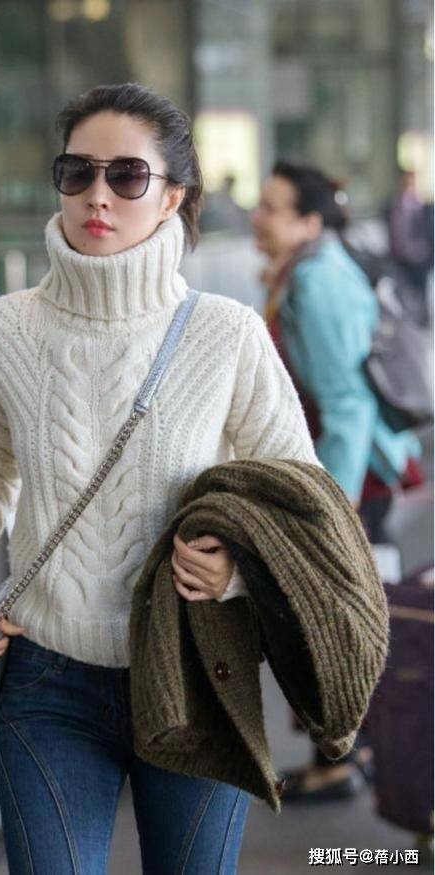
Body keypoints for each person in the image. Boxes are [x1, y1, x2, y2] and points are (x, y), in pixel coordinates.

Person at [0, 84, 318, 874]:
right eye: (78, 172)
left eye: (128, 175)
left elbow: (302, 495)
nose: (97, 196)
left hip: (197, 668)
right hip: (46, 677)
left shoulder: (226, 333)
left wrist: (239, 569)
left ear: (173, 196)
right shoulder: (6, 328)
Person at [251, 160, 422, 802]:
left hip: (354, 477)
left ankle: (348, 759)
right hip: (348, 470)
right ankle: (343, 756)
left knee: (340, 621)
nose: (257, 217)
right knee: (334, 617)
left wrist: (333, 503)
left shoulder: (318, 280)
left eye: (272, 208)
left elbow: (347, 404)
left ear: (309, 222)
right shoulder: (303, 269)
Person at [387, 169, 432, 324]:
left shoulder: (422, 205)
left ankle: (422, 321)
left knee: (421, 292)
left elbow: (428, 231)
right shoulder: (396, 205)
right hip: (401, 257)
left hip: (419, 256)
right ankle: (410, 323)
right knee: (404, 292)